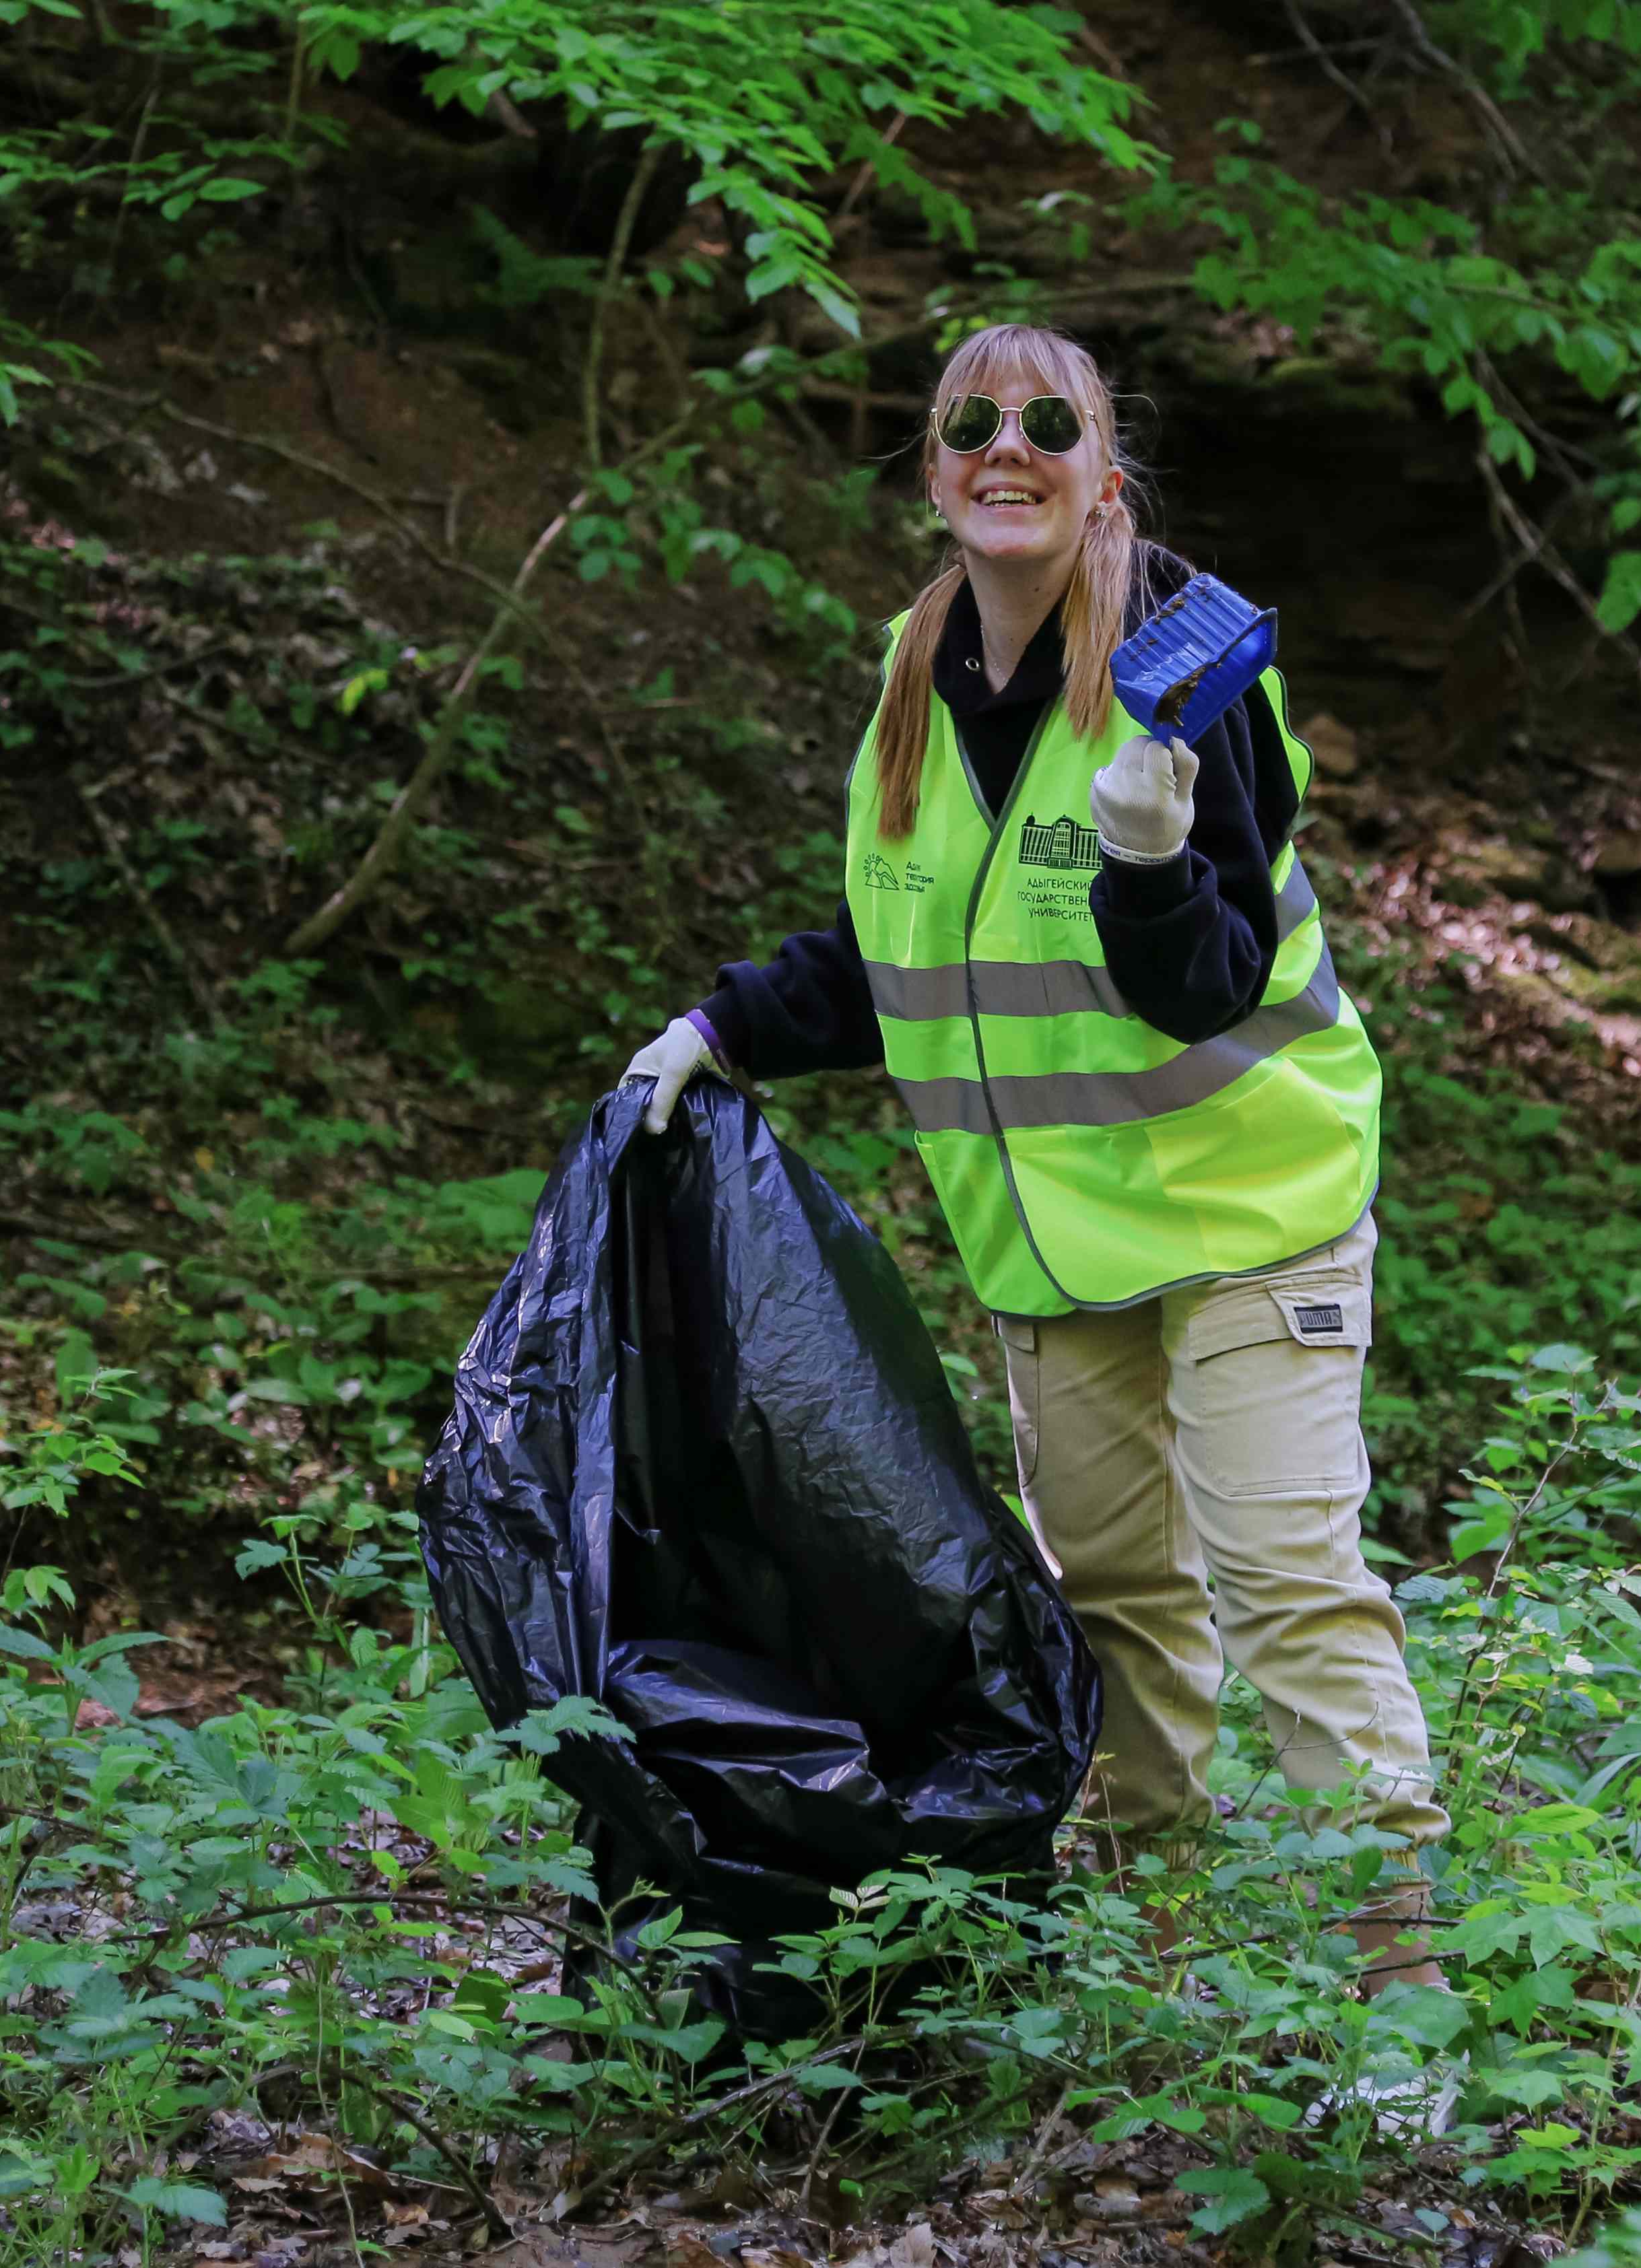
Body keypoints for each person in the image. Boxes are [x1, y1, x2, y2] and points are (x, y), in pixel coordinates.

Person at [619, 323, 1444, 1987]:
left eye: (1048, 423)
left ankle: (1391, 1991)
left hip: (1245, 1205)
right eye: (972, 424)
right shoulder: (916, 677)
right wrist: (719, 1026)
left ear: (1102, 475)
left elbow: (1200, 979)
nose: (1011, 447)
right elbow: (904, 942)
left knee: (1285, 1581)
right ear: (932, 473)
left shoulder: (1187, 670)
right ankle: (1153, 1958)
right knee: (1121, 1598)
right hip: (1056, 1247)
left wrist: (1149, 856)